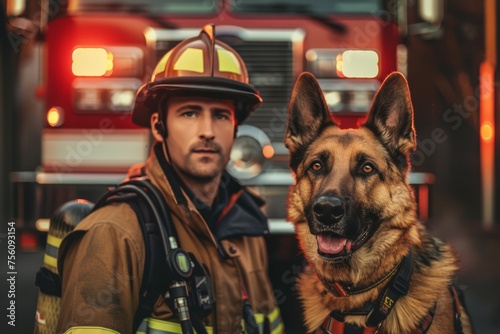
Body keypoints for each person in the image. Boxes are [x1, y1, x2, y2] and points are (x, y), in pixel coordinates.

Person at [56, 24, 284, 334]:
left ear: (234, 129)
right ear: (158, 126)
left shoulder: (247, 227)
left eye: (220, 115)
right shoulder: (113, 233)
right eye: (189, 113)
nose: (207, 130)